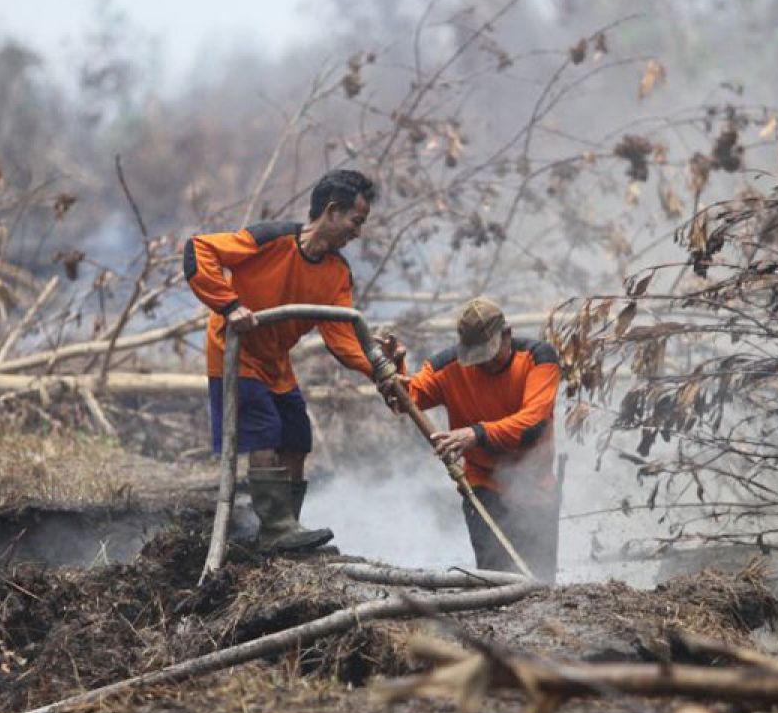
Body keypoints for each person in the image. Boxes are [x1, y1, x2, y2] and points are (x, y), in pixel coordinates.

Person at [183, 169, 383, 552]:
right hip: (235, 351)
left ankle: (286, 530)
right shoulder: (268, 240)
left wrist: (380, 370)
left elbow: (342, 337)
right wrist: (230, 306)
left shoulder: (337, 273)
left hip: (275, 361)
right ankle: (276, 529)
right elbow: (199, 250)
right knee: (266, 430)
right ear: (331, 211)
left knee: (297, 435)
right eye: (356, 222)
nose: (357, 232)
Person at [389, 297, 561, 581]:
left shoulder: (538, 359)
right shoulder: (446, 367)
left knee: (540, 581)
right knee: (495, 579)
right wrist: (396, 369)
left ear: (507, 334)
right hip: (482, 485)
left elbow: (533, 424)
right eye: (477, 357)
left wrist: (476, 433)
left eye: (490, 354)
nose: (484, 365)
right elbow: (405, 401)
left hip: (535, 486)